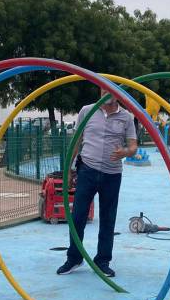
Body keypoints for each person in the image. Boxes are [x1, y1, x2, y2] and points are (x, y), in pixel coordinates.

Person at [56, 89, 137, 277]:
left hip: (112, 174)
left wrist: (125, 152)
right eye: (104, 89)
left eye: (112, 89)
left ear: (118, 92)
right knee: (78, 216)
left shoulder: (126, 117)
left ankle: (102, 261)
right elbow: (77, 140)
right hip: (87, 170)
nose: (108, 92)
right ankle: (74, 258)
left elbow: (133, 145)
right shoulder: (87, 111)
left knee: (108, 219)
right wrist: (68, 169)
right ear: (100, 90)